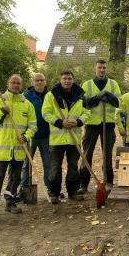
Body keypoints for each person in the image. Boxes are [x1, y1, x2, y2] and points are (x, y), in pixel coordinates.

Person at [0, 74, 37, 222]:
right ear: (8, 84)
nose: (15, 85)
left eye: (18, 83)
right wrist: (1, 112)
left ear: (21, 85)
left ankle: (10, 202)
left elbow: (33, 125)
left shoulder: (27, 105)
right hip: (1, 151)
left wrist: (26, 136)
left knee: (15, 179)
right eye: (13, 82)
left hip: (19, 150)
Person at [42, 70, 89, 204]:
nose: (67, 81)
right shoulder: (51, 95)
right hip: (57, 140)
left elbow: (87, 112)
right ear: (60, 79)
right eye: (64, 78)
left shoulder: (80, 95)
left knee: (73, 167)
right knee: (55, 167)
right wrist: (59, 122)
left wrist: (78, 121)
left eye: (69, 78)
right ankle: (54, 193)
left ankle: (73, 192)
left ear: (73, 80)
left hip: (74, 138)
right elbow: (45, 112)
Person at [80, 59, 121, 190]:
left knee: (107, 155)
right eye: (99, 67)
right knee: (87, 154)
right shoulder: (87, 85)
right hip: (91, 124)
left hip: (108, 124)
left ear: (106, 69)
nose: (102, 70)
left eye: (104, 68)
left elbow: (118, 102)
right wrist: (98, 97)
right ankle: (83, 185)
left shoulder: (113, 84)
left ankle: (108, 182)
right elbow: (84, 103)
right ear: (95, 68)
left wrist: (108, 94)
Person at [19, 72, 51, 199]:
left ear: (45, 81)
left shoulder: (50, 95)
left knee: (48, 163)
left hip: (46, 135)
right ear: (32, 82)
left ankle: (49, 188)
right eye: (37, 80)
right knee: (27, 163)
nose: (39, 82)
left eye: (41, 80)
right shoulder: (25, 96)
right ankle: (23, 187)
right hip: (30, 136)